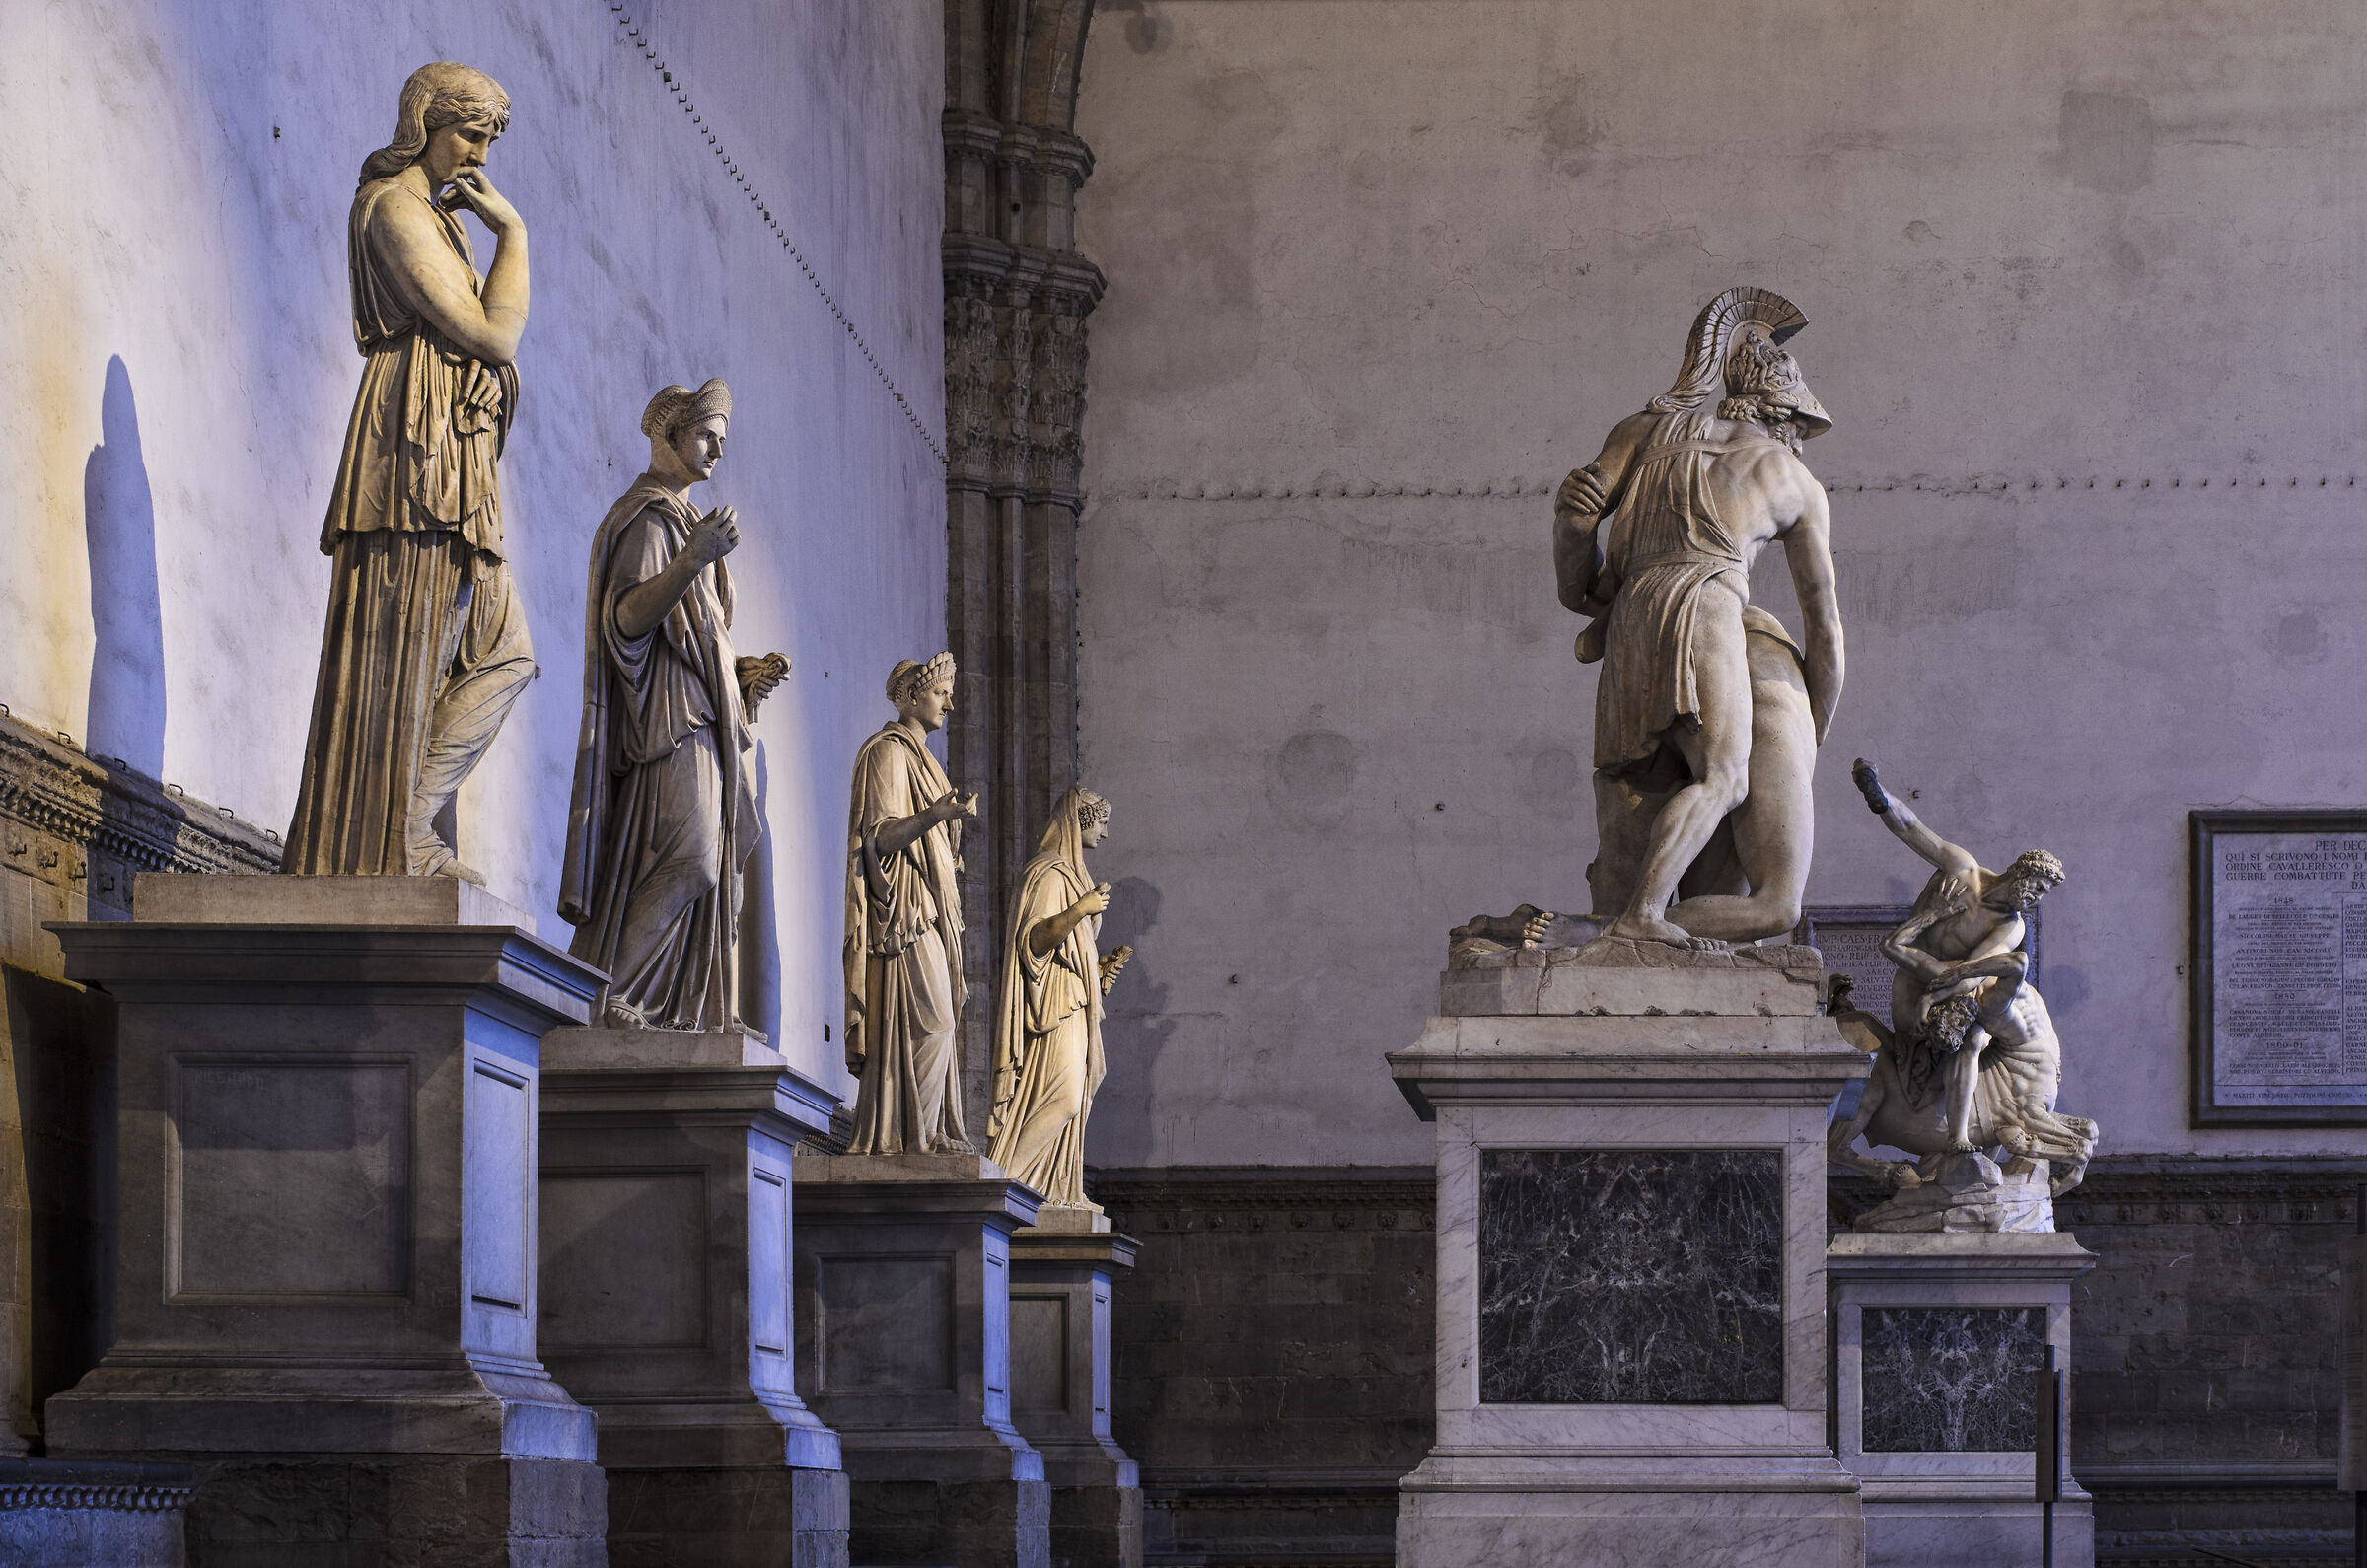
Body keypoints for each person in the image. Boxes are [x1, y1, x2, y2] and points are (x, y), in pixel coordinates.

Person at [283, 62, 536, 880]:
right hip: (413, 439)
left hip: (454, 449)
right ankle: (388, 841)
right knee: (410, 638)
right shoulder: (393, 208)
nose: (479, 158)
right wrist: (518, 236)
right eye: (470, 134)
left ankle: (406, 826)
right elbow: (492, 336)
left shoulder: (437, 217)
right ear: (423, 121)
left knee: (499, 651)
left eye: (490, 140)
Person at [1554, 287, 1843, 947]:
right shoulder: (1793, 480)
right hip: (1707, 603)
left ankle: (1615, 919)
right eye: (1802, 431)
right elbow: (1824, 628)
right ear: (1787, 418)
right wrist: (1810, 733)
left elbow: (1577, 576)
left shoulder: (1645, 432)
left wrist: (1573, 528)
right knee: (1726, 776)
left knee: (1640, 797)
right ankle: (1640, 920)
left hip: (1629, 622)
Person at [559, 380, 788, 1030]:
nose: (717, 450)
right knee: (692, 862)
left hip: (704, 719)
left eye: (722, 440)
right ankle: (612, 994)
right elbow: (628, 619)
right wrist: (692, 559)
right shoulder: (651, 519)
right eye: (708, 435)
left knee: (708, 867)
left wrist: (742, 681)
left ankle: (689, 1006)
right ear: (670, 432)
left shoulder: (690, 525)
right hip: (667, 723)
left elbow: (700, 643)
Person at [844, 655, 979, 1155]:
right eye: (941, 691)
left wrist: (947, 828)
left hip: (935, 910)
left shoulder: (929, 763)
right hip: (906, 913)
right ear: (913, 695)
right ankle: (908, 1139)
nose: (949, 701)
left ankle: (928, 1131)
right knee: (932, 1022)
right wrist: (935, 816)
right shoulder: (888, 753)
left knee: (942, 1023)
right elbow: (879, 836)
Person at [988, 788, 1133, 1213]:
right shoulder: (1049, 874)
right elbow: (1034, 939)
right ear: (1080, 820)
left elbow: (1072, 954)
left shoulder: (1074, 877)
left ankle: (1051, 1188)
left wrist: (1099, 970)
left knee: (1078, 1092)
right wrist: (1081, 909)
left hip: (1072, 1003)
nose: (1105, 835)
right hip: (1049, 1011)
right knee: (1065, 1096)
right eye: (1101, 823)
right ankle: (1007, 1180)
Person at [1851, 757, 2064, 1044]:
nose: (2035, 899)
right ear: (2021, 871)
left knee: (1966, 1044)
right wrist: (1880, 797)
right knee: (1902, 1058)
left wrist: (1932, 996)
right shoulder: (1963, 869)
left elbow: (1971, 975)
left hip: (1943, 989)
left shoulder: (2010, 926)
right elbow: (1912, 830)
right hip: (1907, 975)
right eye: (2038, 888)